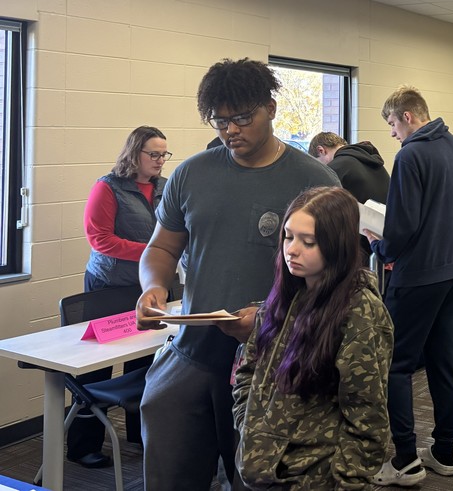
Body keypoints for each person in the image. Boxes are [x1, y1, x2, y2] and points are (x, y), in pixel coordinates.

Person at [134, 58, 340, 490]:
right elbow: (162, 247)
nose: (231, 130)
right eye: (221, 120)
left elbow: (336, 282)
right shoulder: (192, 174)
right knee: (168, 473)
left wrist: (265, 317)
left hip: (275, 362)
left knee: (260, 480)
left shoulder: (315, 182)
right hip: (193, 355)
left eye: (243, 118)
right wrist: (152, 286)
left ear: (271, 108)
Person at [232, 187, 393, 489]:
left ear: (337, 246)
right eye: (288, 237)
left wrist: (346, 479)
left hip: (317, 476)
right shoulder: (287, 294)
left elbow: (367, 412)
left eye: (308, 242)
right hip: (265, 466)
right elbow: (249, 368)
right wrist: (248, 422)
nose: (292, 250)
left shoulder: (358, 310)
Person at [362, 85, 453, 486]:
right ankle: (444, 453)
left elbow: (403, 223)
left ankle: (406, 459)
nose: (393, 132)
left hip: (417, 276)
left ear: (408, 116)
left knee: (395, 366)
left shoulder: (411, 154)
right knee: (445, 364)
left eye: (392, 123)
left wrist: (381, 243)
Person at [72, 126, 169, 468]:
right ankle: (82, 445)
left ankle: (137, 436)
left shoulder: (164, 188)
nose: (160, 161)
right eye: (153, 154)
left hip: (146, 286)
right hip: (109, 286)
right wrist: (154, 251)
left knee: (144, 363)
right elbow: (100, 239)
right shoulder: (108, 187)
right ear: (134, 154)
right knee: (94, 370)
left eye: (163, 154)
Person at [308, 132, 391, 263]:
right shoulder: (373, 161)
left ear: (321, 150)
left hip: (359, 249)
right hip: (384, 242)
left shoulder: (336, 168)